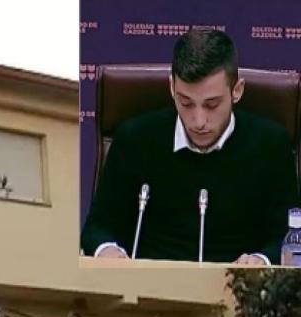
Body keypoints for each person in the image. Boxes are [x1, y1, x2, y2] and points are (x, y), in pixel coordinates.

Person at [81, 29, 299, 264]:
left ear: (237, 91)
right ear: (172, 88)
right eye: (186, 103)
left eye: (212, 105)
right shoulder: (134, 139)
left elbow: (289, 237)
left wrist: (261, 260)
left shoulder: (270, 145)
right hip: (151, 289)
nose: (199, 121)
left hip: (239, 290)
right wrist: (107, 250)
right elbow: (97, 227)